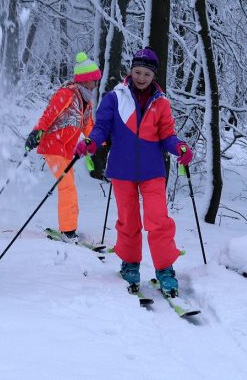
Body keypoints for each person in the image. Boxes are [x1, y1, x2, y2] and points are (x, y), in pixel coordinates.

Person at [75, 47, 194, 296]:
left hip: (152, 171)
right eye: (137, 72)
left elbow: (167, 136)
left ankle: (165, 269)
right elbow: (102, 129)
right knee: (128, 220)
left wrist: (180, 147)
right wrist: (91, 142)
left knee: (158, 219)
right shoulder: (115, 98)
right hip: (122, 169)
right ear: (131, 71)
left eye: (147, 74)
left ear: (154, 77)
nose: (141, 78)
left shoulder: (161, 103)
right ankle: (130, 264)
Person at [25, 52, 101, 243]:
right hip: (53, 145)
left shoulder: (86, 101)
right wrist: (38, 131)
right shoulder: (67, 93)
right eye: (94, 80)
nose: (96, 85)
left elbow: (89, 127)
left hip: (66, 150)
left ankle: (69, 228)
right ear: (85, 80)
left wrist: (103, 140)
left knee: (70, 188)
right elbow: (49, 114)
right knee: (67, 187)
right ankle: (68, 232)